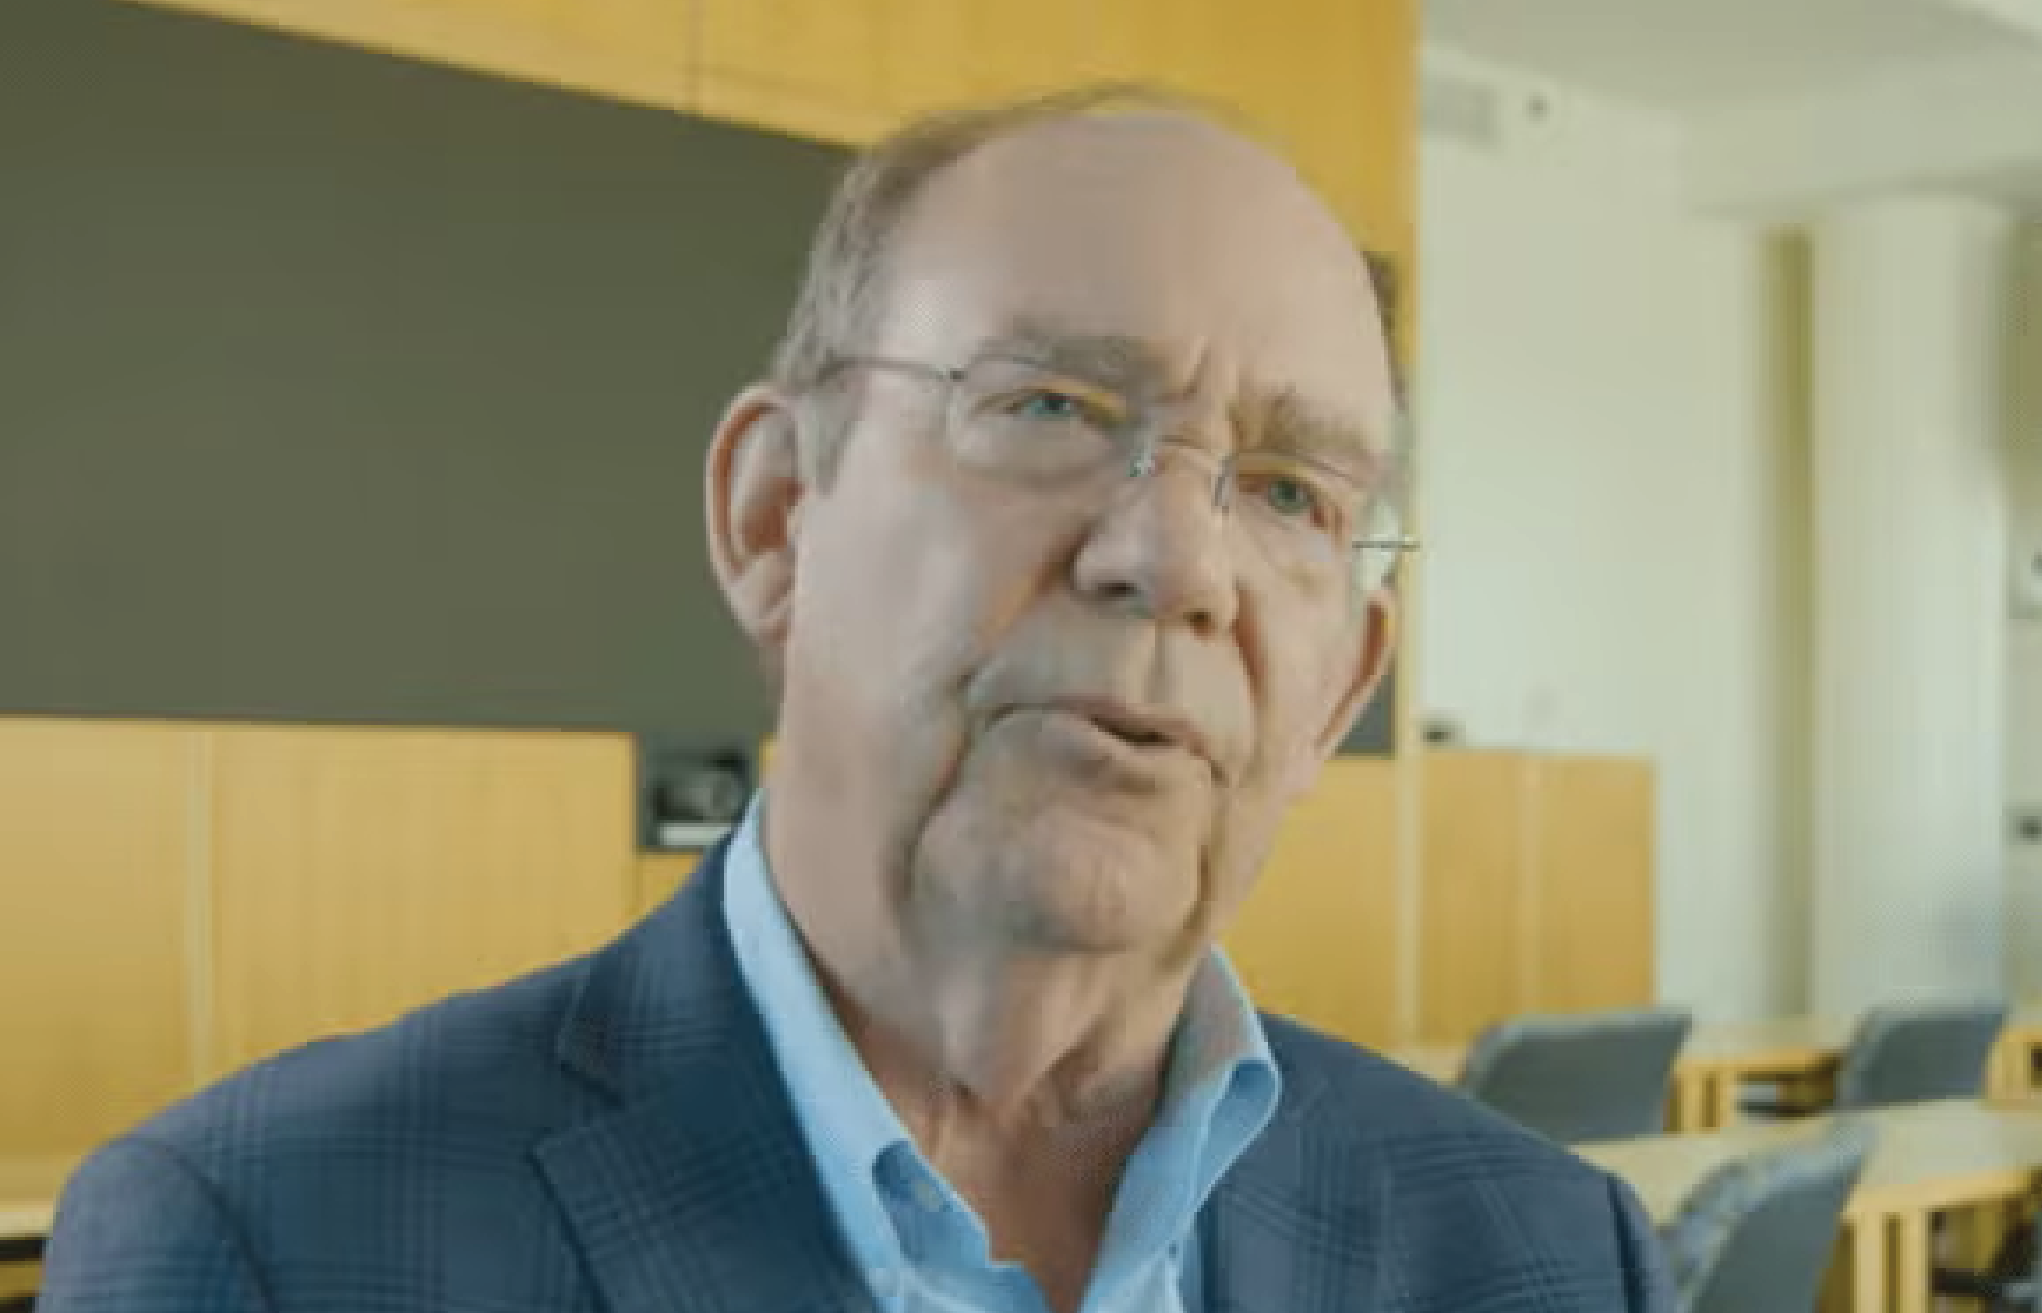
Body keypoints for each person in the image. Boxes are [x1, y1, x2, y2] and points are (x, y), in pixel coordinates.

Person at [39, 86, 1669, 1312]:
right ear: (774, 520)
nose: (1174, 560)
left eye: (1293, 492)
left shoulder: (1546, 1256)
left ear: (1339, 692)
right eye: (1047, 403)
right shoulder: (268, 1239)